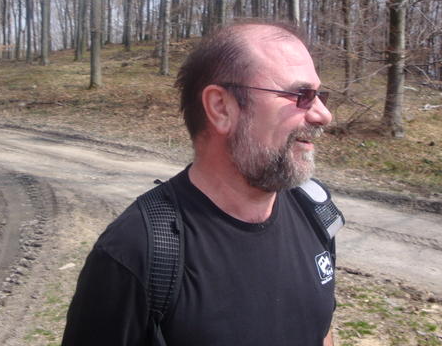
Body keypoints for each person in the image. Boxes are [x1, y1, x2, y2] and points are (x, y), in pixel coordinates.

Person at [62, 20, 336, 346]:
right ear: (221, 108)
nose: (324, 114)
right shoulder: (135, 253)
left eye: (320, 95)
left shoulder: (314, 211)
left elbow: (321, 329)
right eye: (302, 95)